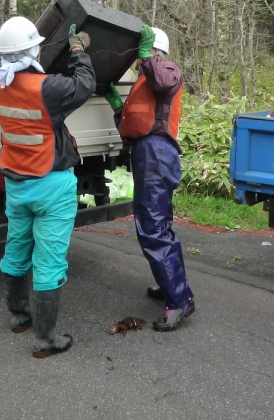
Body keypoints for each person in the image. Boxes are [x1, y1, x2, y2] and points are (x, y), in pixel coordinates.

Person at [0, 16, 95, 358]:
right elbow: (84, 83)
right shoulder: (47, 88)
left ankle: (19, 316)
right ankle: (46, 339)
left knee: (17, 250)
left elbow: (1, 70)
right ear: (32, 49)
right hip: (52, 185)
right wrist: (78, 50)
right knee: (49, 261)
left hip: (16, 184)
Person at [106, 25, 194, 331]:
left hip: (157, 155)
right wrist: (118, 107)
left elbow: (163, 79)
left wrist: (146, 56)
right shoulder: (145, 80)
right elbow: (137, 124)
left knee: (153, 229)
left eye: (141, 53)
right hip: (149, 154)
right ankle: (174, 287)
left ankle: (178, 300)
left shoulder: (167, 70)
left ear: (154, 51)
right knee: (159, 226)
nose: (135, 59)